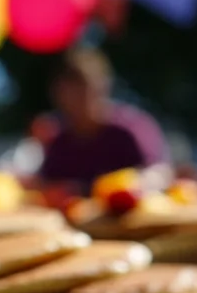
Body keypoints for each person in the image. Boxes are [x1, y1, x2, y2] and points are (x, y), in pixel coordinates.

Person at [38, 48, 168, 194]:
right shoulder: (59, 143)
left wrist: (136, 185)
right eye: (69, 89)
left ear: (103, 86)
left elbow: (161, 173)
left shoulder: (131, 129)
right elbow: (47, 185)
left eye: (84, 86)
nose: (77, 97)